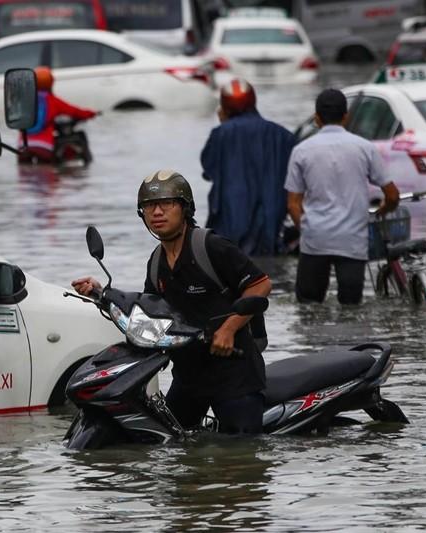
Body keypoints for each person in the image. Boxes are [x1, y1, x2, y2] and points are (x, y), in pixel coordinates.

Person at [71, 170, 272, 434]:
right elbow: (150, 309)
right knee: (171, 445)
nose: (157, 212)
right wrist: (101, 294)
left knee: (241, 457)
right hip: (189, 374)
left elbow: (261, 284)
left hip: (234, 372)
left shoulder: (211, 247)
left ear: (185, 208)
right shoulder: (156, 263)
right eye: (149, 206)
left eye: (167, 203)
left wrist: (229, 328)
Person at [284, 88, 400, 305]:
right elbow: (392, 195)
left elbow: (293, 205)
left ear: (317, 119)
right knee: (351, 308)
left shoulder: (301, 151)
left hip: (315, 241)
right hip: (352, 241)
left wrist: (308, 230)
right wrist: (382, 211)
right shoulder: (365, 148)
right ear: (346, 117)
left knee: (309, 308)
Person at [201, 78, 296, 256]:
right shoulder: (283, 136)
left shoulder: (220, 134)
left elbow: (208, 169)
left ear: (224, 105)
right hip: (272, 220)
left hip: (230, 220)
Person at [18, 66, 97, 164]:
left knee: (24, 174)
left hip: (23, 146)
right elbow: (75, 111)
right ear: (51, 83)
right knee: (46, 174)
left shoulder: (24, 101)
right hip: (44, 146)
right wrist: (92, 113)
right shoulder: (53, 101)